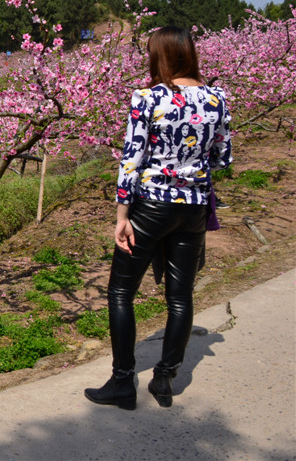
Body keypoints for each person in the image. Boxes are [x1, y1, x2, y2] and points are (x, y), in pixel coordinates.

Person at [85, 26, 232, 410]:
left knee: (120, 292)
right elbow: (223, 158)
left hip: (152, 204)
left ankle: (122, 381)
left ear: (160, 56)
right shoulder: (216, 98)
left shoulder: (148, 98)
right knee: (180, 297)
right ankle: (165, 377)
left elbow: (131, 158)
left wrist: (121, 214)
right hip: (194, 206)